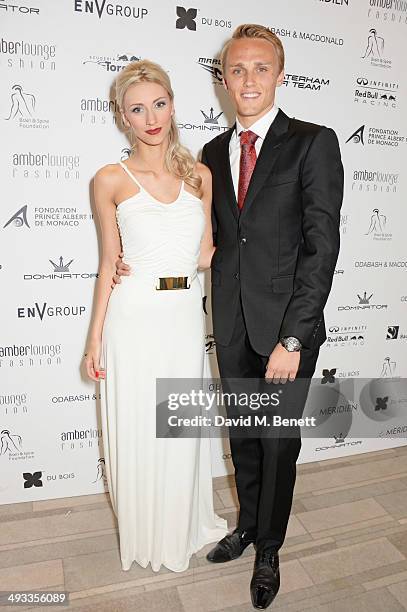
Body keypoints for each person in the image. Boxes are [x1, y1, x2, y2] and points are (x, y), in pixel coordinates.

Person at [114, 25, 344, 609]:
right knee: (243, 437)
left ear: (279, 75)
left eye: (260, 68)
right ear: (224, 80)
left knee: (276, 442)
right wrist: (131, 263)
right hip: (231, 322)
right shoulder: (212, 156)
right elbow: (208, 240)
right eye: (236, 70)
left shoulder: (313, 143)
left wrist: (294, 337)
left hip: (287, 330)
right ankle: (244, 526)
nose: (247, 80)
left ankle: (269, 549)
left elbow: (322, 249)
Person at [84, 59, 228, 573]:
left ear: (172, 105)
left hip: (183, 315)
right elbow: (107, 264)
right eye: (137, 109)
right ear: (123, 117)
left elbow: (208, 251)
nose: (151, 118)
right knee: (140, 425)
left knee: (178, 425)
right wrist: (94, 339)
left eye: (159, 104)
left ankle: (182, 524)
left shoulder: (202, 176)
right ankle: (146, 532)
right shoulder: (109, 179)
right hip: (133, 314)